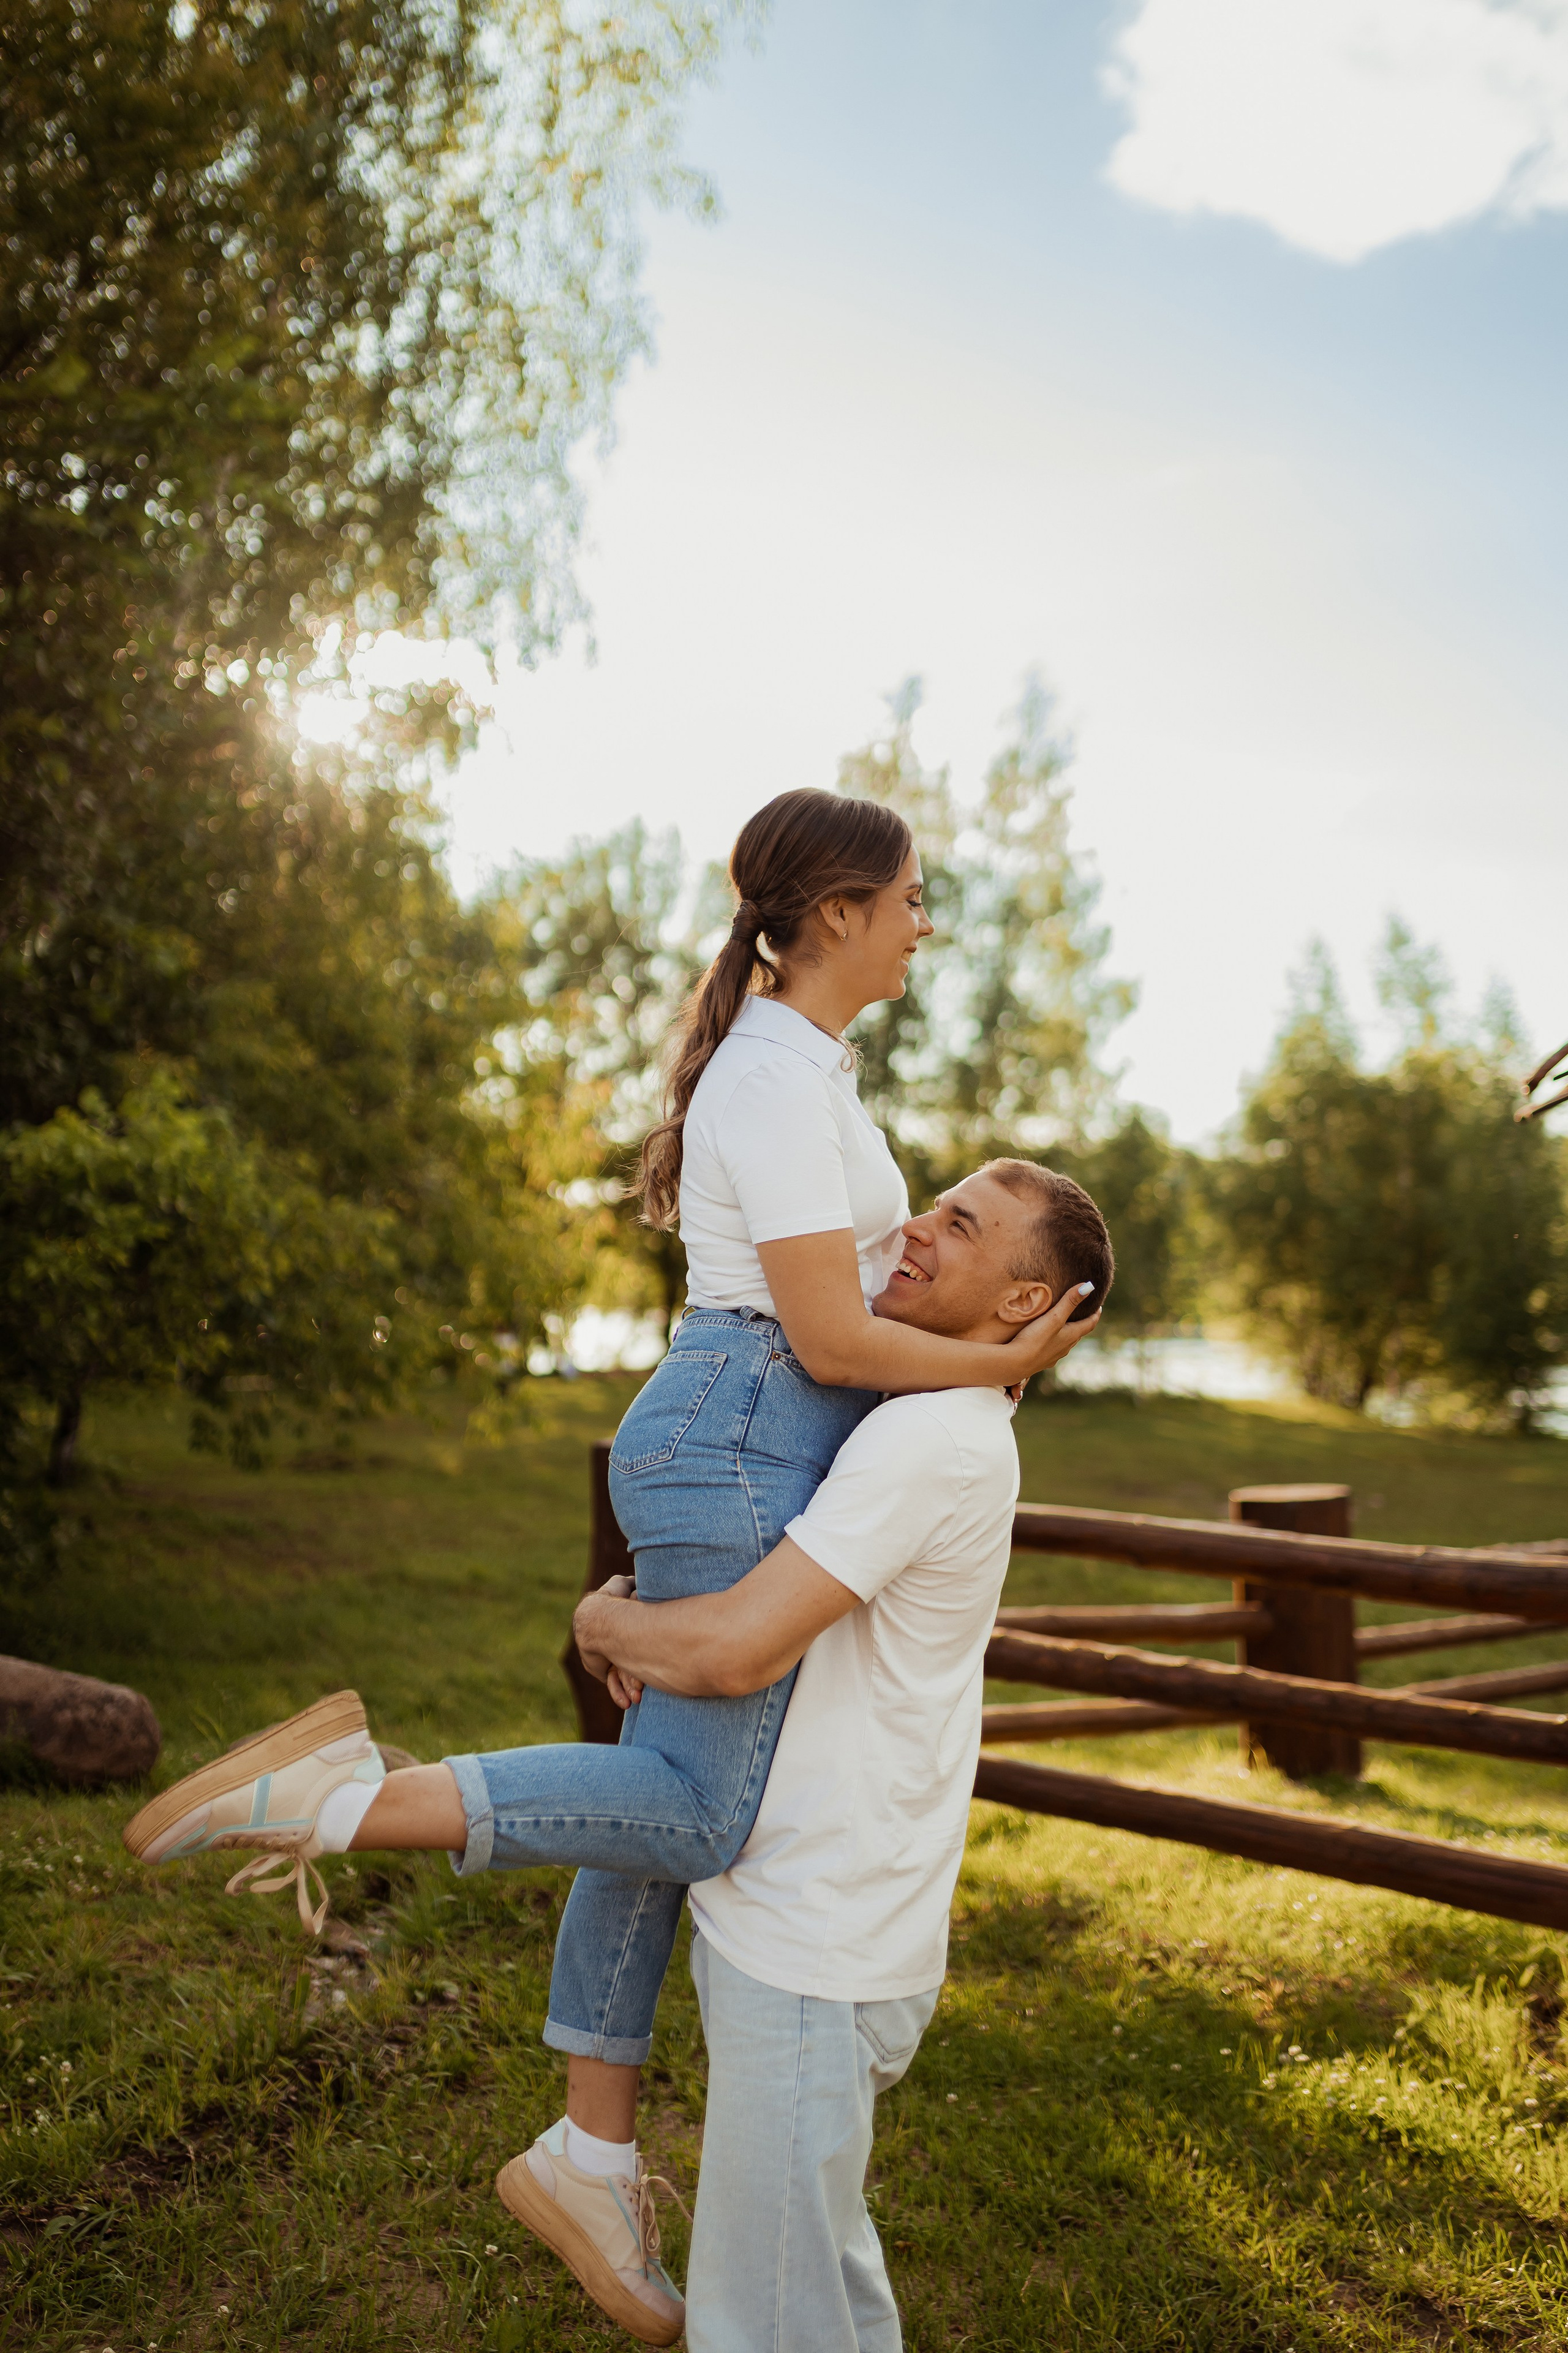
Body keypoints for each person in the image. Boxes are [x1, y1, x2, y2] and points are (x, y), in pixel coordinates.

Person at [124, 788, 1101, 2338]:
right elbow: (832, 1336)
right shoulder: (778, 1081)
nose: (925, 920)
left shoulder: (807, 1068)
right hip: (742, 1424)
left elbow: (846, 1326)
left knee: (670, 1800)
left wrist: (989, 1365)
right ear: (836, 909)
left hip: (748, 1423)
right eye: (911, 894)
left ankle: (588, 2151)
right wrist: (999, 1367)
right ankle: (337, 1795)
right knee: (700, 1803)